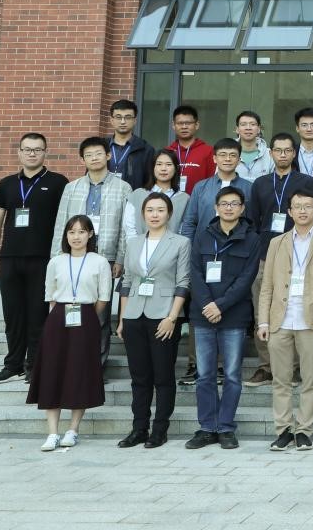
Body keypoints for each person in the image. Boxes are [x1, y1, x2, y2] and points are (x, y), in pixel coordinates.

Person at [257, 189, 313, 452]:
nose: (303, 211)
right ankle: (283, 430)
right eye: (297, 206)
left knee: (310, 379)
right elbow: (267, 285)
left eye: (307, 206)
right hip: (279, 320)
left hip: (311, 320)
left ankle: (303, 430)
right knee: (280, 380)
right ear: (290, 212)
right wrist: (263, 321)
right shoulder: (276, 242)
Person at [0, 133, 68, 384]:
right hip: (10, 258)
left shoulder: (58, 182)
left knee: (37, 314)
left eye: (37, 149)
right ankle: (13, 365)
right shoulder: (7, 183)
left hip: (43, 259)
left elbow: (66, 221)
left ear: (45, 152)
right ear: (19, 152)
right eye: (27, 149)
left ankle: (34, 365)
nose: (32, 153)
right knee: (12, 314)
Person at [185, 187, 261, 451]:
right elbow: (194, 272)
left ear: (242, 208)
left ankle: (226, 427)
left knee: (231, 375)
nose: (229, 208)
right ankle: (207, 428)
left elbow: (246, 279)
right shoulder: (203, 236)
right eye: (224, 203)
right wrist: (208, 304)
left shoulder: (252, 239)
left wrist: (221, 305)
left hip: (234, 316)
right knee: (205, 375)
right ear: (216, 208)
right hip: (203, 314)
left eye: (234, 203)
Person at [28, 216, 111, 451]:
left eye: (82, 232)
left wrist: (87, 315)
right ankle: (52, 433)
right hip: (58, 318)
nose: (76, 237)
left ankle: (73, 429)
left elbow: (103, 297)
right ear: (66, 235)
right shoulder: (56, 261)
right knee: (52, 371)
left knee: (79, 371)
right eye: (72, 232)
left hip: (86, 317)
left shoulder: (99, 262)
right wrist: (57, 318)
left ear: (90, 234)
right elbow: (50, 295)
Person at [116, 192, 190, 450]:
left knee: (163, 376)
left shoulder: (180, 243)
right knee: (139, 377)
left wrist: (172, 317)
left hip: (164, 316)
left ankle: (159, 429)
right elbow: (126, 282)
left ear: (169, 214)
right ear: (143, 214)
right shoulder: (134, 243)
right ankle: (139, 428)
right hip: (134, 315)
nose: (155, 214)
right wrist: (123, 319)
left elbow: (183, 282)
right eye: (150, 210)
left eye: (160, 210)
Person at [241, 133, 313, 388]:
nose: (283, 154)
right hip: (264, 255)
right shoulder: (260, 184)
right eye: (278, 150)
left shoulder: (306, 182)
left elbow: (311, 216)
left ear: (294, 153)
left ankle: (292, 368)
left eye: (287, 150)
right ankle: (265, 367)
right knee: (262, 311)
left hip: (298, 255)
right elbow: (252, 221)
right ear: (270, 153)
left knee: (294, 310)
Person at [53, 137, 133, 371]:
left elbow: (125, 228)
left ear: (108, 156)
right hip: (74, 257)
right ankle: (73, 363)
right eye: (88, 155)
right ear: (82, 160)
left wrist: (120, 258)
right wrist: (57, 258)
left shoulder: (123, 188)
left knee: (101, 314)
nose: (94, 158)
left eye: (98, 153)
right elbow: (61, 224)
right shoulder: (72, 188)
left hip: (106, 257)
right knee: (72, 308)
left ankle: (97, 366)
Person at [179, 139, 254, 241]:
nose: (228, 159)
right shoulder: (200, 187)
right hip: (203, 244)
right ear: (214, 159)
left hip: (238, 244)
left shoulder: (249, 188)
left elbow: (253, 223)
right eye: (223, 155)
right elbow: (189, 222)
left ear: (239, 160)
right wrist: (188, 246)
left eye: (233, 155)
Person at [121, 149, 190, 248]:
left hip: (172, 251)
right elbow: (129, 227)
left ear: (176, 168)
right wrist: (136, 248)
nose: (163, 168)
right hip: (140, 249)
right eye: (159, 164)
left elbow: (184, 229)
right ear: (153, 168)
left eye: (168, 164)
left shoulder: (184, 199)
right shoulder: (137, 194)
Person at [106, 99, 155, 189]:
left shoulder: (146, 149)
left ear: (135, 120)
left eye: (128, 117)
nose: (123, 122)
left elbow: (149, 182)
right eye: (118, 117)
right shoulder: (101, 146)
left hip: (133, 196)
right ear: (112, 120)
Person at [166, 105, 215, 194]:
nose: (184, 127)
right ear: (173, 125)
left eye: (188, 123)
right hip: (170, 200)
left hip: (198, 200)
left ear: (197, 125)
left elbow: (212, 181)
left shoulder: (208, 151)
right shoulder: (167, 152)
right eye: (180, 123)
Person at [234, 111, 274, 182]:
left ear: (259, 129)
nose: (248, 128)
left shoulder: (270, 154)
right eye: (243, 124)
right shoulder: (227, 153)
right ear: (237, 129)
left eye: (252, 124)